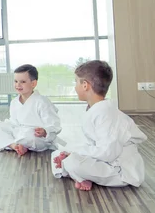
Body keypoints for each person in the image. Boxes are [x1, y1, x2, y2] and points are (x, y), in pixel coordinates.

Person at [52, 60, 147, 191]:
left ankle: (80, 176)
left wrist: (73, 153)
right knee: (58, 153)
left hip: (119, 172)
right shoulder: (98, 110)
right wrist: (70, 152)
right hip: (105, 161)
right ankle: (81, 176)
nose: (75, 86)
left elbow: (108, 153)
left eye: (76, 82)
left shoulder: (107, 114)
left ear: (85, 85)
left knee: (71, 162)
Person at [0, 64, 61, 156]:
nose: (18, 85)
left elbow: (54, 124)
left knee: (30, 135)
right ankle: (15, 145)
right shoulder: (14, 102)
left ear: (33, 83)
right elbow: (13, 123)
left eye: (22, 82)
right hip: (18, 132)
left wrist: (45, 131)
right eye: (16, 81)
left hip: (35, 137)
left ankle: (15, 144)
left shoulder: (42, 102)